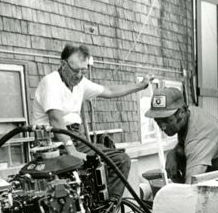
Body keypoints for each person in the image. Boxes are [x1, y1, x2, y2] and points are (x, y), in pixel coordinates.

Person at [32, 43, 154, 201]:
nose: (79, 75)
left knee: (118, 158)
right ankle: (106, 210)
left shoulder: (80, 82)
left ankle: (105, 210)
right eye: (76, 70)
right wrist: (72, 150)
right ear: (63, 64)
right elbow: (55, 119)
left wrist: (140, 85)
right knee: (117, 161)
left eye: (84, 70)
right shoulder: (51, 82)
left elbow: (109, 91)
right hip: (54, 143)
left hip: (76, 137)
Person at [146, 88, 218, 184]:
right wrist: (172, 153)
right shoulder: (189, 114)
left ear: (181, 112)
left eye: (167, 121)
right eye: (157, 121)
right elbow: (185, 144)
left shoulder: (200, 135)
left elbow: (192, 186)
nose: (162, 127)